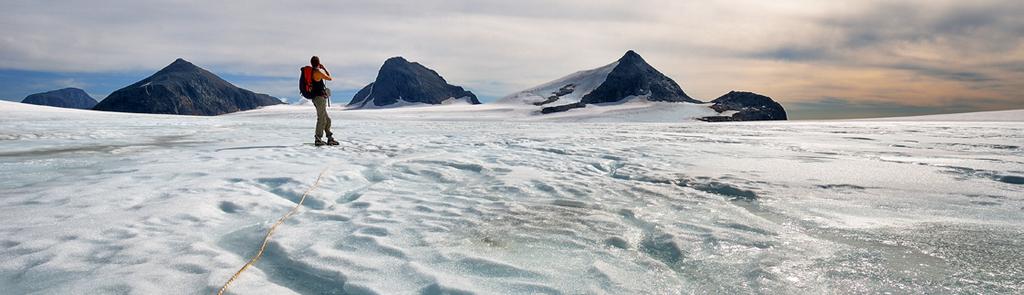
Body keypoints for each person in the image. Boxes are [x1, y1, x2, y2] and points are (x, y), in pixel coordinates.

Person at [309, 56, 339, 146]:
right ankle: (318, 139)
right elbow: (329, 78)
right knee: (322, 118)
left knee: (327, 119)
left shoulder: (311, 72)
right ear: (318, 63)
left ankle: (330, 138)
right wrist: (324, 68)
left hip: (316, 98)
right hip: (319, 98)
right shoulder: (317, 72)